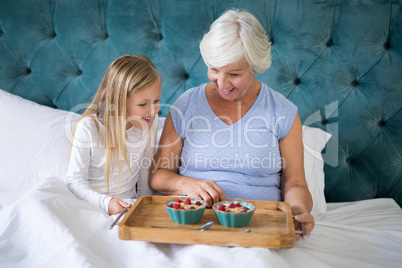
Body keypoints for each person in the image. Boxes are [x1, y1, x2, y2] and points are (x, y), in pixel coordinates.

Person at [149, 9, 314, 238]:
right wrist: (185, 185)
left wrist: (297, 211)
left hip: (259, 225)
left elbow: (295, 183)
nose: (222, 83)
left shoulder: (283, 111)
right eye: (214, 69)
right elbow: (158, 174)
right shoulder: (186, 105)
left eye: (234, 74)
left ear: (255, 67)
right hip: (194, 222)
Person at [67, 55, 161, 215]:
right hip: (89, 207)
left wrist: (144, 207)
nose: (152, 110)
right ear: (119, 101)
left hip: (126, 209)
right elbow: (74, 182)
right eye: (143, 104)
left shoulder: (149, 123)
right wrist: (107, 203)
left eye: (157, 101)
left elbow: (145, 172)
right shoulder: (89, 128)